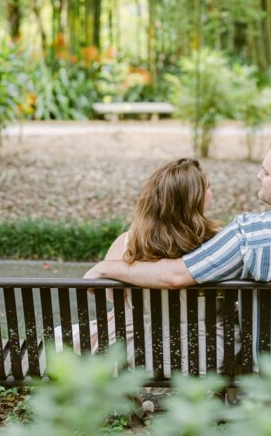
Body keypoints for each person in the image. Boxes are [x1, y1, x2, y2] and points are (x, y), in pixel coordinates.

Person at [85, 137, 271, 288]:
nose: (257, 176)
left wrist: (105, 267)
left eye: (265, 172)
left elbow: (175, 276)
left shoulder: (250, 234)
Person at [60, 157, 220, 368]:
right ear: (194, 199)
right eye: (207, 188)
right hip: (205, 350)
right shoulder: (219, 243)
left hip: (137, 349)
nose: (211, 193)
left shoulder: (127, 243)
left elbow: (112, 297)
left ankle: (129, 399)